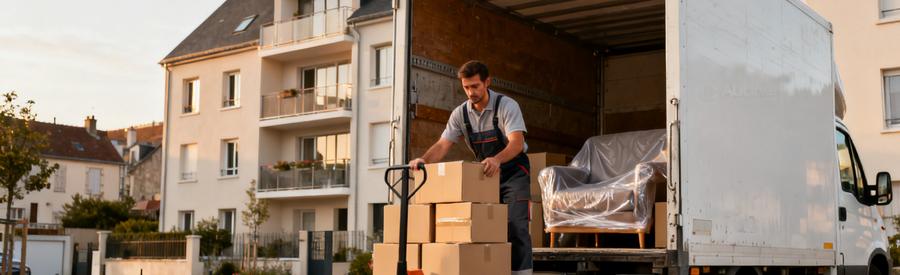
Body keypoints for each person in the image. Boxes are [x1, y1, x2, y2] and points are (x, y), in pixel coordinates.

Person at [409, 60, 533, 274]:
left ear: (487, 82)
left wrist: (497, 159)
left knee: (515, 225)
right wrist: (424, 160)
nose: (470, 92)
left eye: (475, 86)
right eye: (466, 87)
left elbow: (517, 143)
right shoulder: (460, 114)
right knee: (481, 228)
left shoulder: (507, 105)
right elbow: (443, 144)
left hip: (513, 173)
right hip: (485, 175)